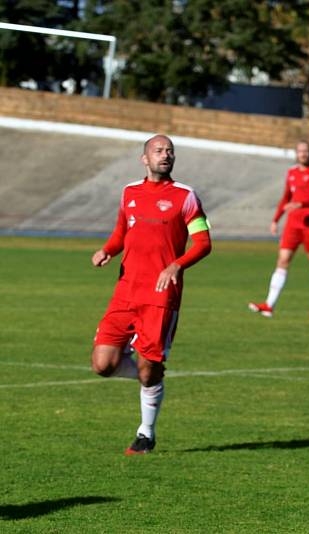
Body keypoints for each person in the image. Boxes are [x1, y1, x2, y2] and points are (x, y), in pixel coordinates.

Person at [90, 134, 212, 455]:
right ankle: (150, 373)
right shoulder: (129, 192)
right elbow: (121, 232)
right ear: (144, 159)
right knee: (102, 364)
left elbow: (203, 243)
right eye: (158, 151)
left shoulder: (186, 197)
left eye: (170, 151)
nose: (165, 155)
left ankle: (146, 433)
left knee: (149, 366)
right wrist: (107, 250)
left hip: (161, 297)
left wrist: (176, 265)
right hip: (125, 291)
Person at [248, 141, 309, 320]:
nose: (303, 154)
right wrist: (275, 220)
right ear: (296, 153)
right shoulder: (291, 172)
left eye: (306, 151)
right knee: (282, 260)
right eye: (300, 151)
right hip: (292, 225)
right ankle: (269, 305)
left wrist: (302, 203)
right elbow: (286, 197)